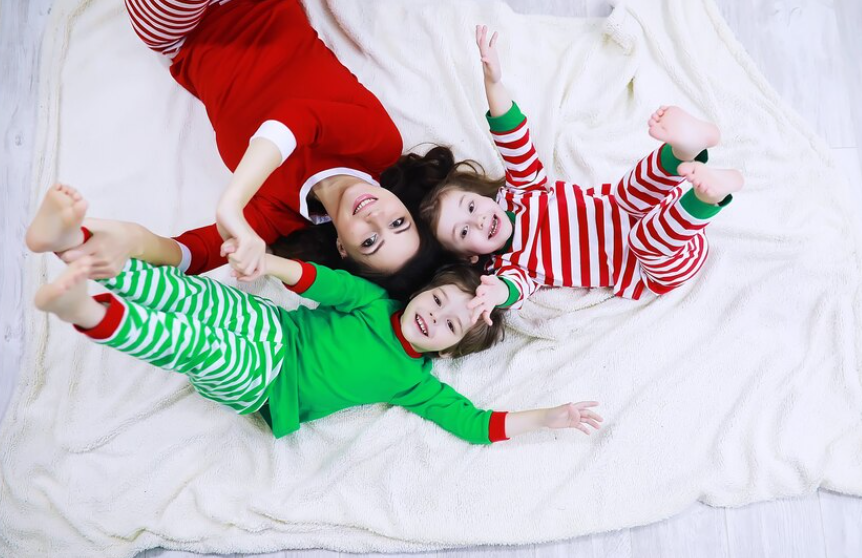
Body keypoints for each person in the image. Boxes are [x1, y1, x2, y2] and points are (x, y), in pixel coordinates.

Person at [27, 184, 603, 443]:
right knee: (190, 297)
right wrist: (266, 263)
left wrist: (547, 418)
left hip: (267, 385)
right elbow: (319, 281)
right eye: (436, 301)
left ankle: (90, 311)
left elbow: (476, 425)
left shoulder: (414, 383)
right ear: (418, 294)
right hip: (268, 325)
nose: (434, 316)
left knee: (196, 343)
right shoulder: (377, 303)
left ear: (445, 352)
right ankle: (71, 241)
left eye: (449, 325)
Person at [63, 0, 445, 299]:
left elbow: (194, 253)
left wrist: (134, 243)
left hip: (187, 32)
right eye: (398, 223)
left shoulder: (277, 215)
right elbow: (296, 118)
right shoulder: (377, 147)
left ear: (343, 249)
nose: (376, 217)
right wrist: (231, 203)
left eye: (370, 241)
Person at [420, 27, 745, 324]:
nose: (476, 221)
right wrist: (495, 295)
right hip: (655, 263)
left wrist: (493, 82)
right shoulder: (512, 263)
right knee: (642, 238)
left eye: (471, 207)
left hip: (630, 209)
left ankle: (685, 150)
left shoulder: (521, 193)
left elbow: (514, 141)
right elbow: (512, 289)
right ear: (471, 255)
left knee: (628, 191)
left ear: (481, 197)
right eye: (463, 232)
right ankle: (705, 198)